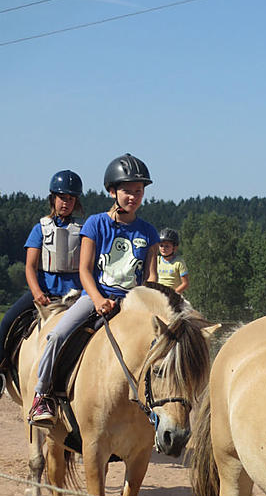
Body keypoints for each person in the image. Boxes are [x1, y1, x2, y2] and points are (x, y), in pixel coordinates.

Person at [28, 153, 160, 425]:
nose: (133, 196)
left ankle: (162, 409)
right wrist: (98, 299)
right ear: (112, 191)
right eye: (126, 190)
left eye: (138, 191)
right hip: (96, 297)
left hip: (133, 304)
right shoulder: (95, 224)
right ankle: (43, 396)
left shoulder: (148, 232)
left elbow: (151, 276)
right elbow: (84, 270)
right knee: (56, 336)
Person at [0, 170, 84, 393]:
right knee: (7, 321)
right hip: (45, 293)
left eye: (70, 199)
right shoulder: (40, 229)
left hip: (75, 295)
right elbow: (30, 266)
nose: (65, 203)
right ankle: (1, 368)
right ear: (53, 198)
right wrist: (36, 292)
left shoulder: (84, 231)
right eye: (62, 197)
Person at [156, 228, 189, 294]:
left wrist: (173, 294)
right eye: (161, 245)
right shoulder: (157, 260)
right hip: (159, 295)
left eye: (167, 246)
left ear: (175, 247)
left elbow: (185, 283)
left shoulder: (179, 263)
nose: (163, 248)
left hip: (174, 296)